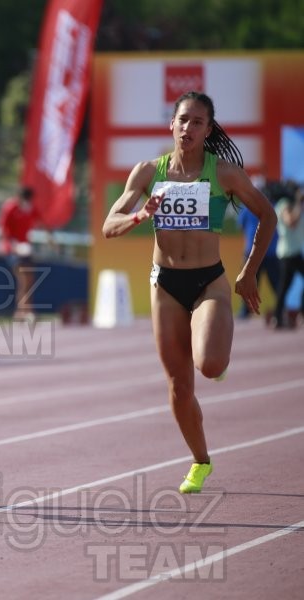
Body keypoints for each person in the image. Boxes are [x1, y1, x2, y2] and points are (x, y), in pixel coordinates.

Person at [103, 91, 276, 494]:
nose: (188, 128)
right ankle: (200, 462)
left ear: (208, 130)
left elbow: (267, 215)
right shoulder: (149, 172)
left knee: (210, 365)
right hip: (165, 283)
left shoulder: (225, 173)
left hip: (209, 281)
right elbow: (108, 225)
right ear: (171, 124)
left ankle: (215, 350)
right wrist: (141, 215)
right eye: (182, 120)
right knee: (180, 388)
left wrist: (249, 271)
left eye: (197, 122)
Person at [0, 186, 40, 320]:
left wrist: (51, 238)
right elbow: (2, 230)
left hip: (26, 248)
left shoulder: (30, 208)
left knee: (30, 281)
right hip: (13, 250)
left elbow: (41, 220)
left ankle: (23, 311)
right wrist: (13, 246)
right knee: (23, 280)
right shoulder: (10, 207)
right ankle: (24, 311)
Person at [235, 194, 279, 321]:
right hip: (270, 251)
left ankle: (245, 311)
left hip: (254, 252)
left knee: (249, 283)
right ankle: (281, 309)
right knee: (276, 284)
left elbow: (240, 226)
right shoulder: (272, 206)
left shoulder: (246, 207)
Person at [272, 184, 304, 329]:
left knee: (284, 287)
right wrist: (299, 203)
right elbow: (291, 221)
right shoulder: (284, 204)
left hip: (294, 252)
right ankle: (278, 317)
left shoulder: (293, 204)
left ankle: (278, 316)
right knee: (283, 287)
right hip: (287, 253)